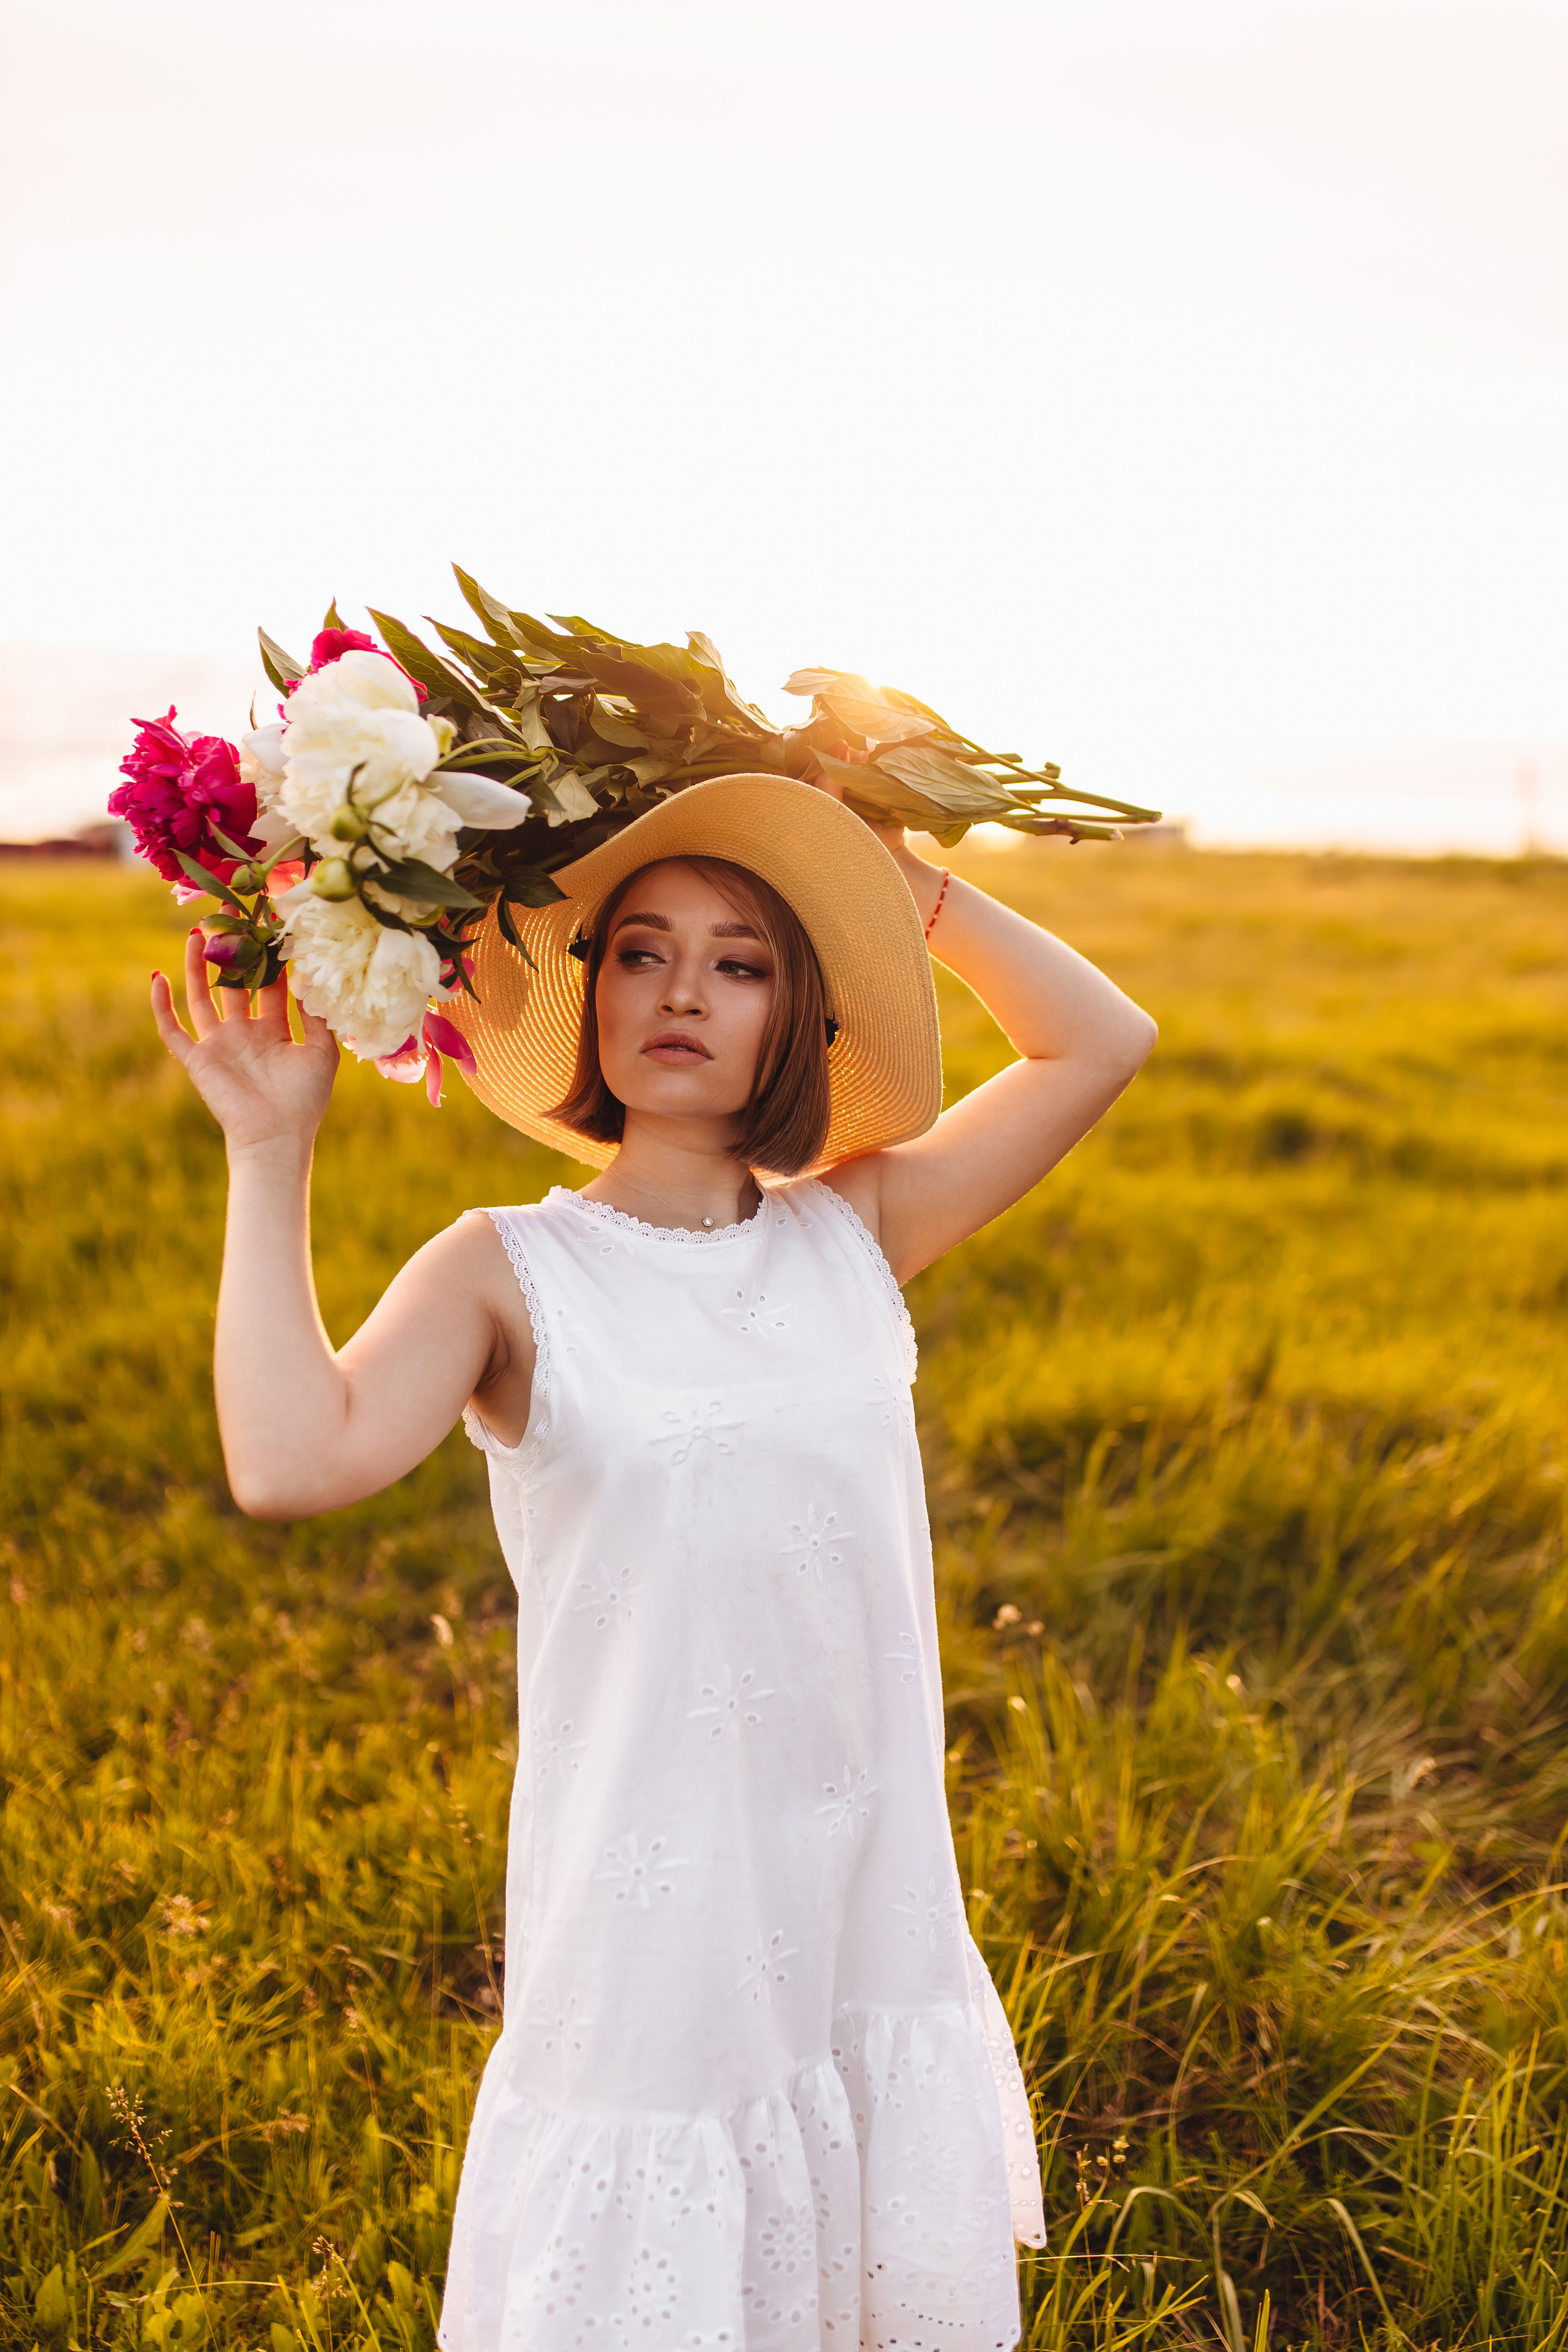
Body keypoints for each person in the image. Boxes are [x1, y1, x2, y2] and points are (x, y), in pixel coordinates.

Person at [151, 772, 1156, 2352]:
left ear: (798, 1016)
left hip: (860, 1861)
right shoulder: (506, 1269)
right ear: (591, 995)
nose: (684, 992)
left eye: (741, 963)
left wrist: (909, 893)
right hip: (656, 1882)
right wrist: (270, 1155)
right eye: (643, 953)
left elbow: (1100, 1041)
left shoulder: (853, 1229)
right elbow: (291, 1463)